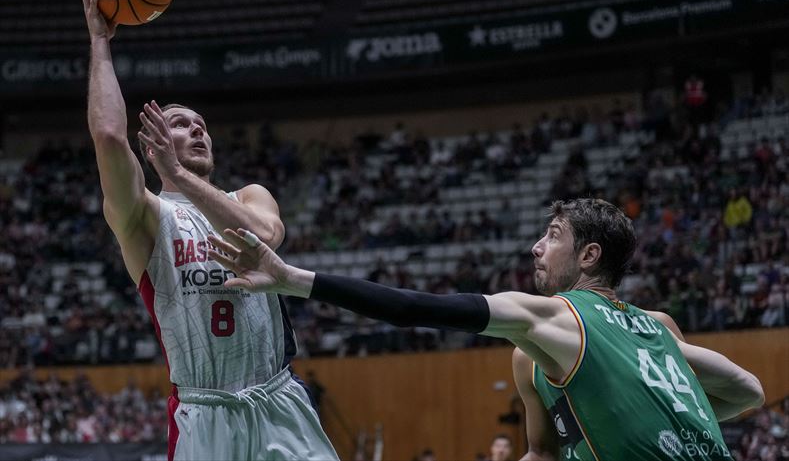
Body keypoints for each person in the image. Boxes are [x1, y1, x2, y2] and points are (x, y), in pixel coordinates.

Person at [207, 198, 764, 461]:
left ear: (589, 256)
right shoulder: (659, 329)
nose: (536, 247)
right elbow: (749, 391)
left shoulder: (553, 319)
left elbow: (417, 308)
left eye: (552, 235)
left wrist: (292, 279)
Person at [80, 0, 338, 461]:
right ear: (152, 143)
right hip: (203, 412)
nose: (198, 130)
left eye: (202, 126)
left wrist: (179, 171)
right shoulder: (146, 215)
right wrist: (99, 42)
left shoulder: (251, 195)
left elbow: (264, 236)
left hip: (278, 398)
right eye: (181, 124)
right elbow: (109, 137)